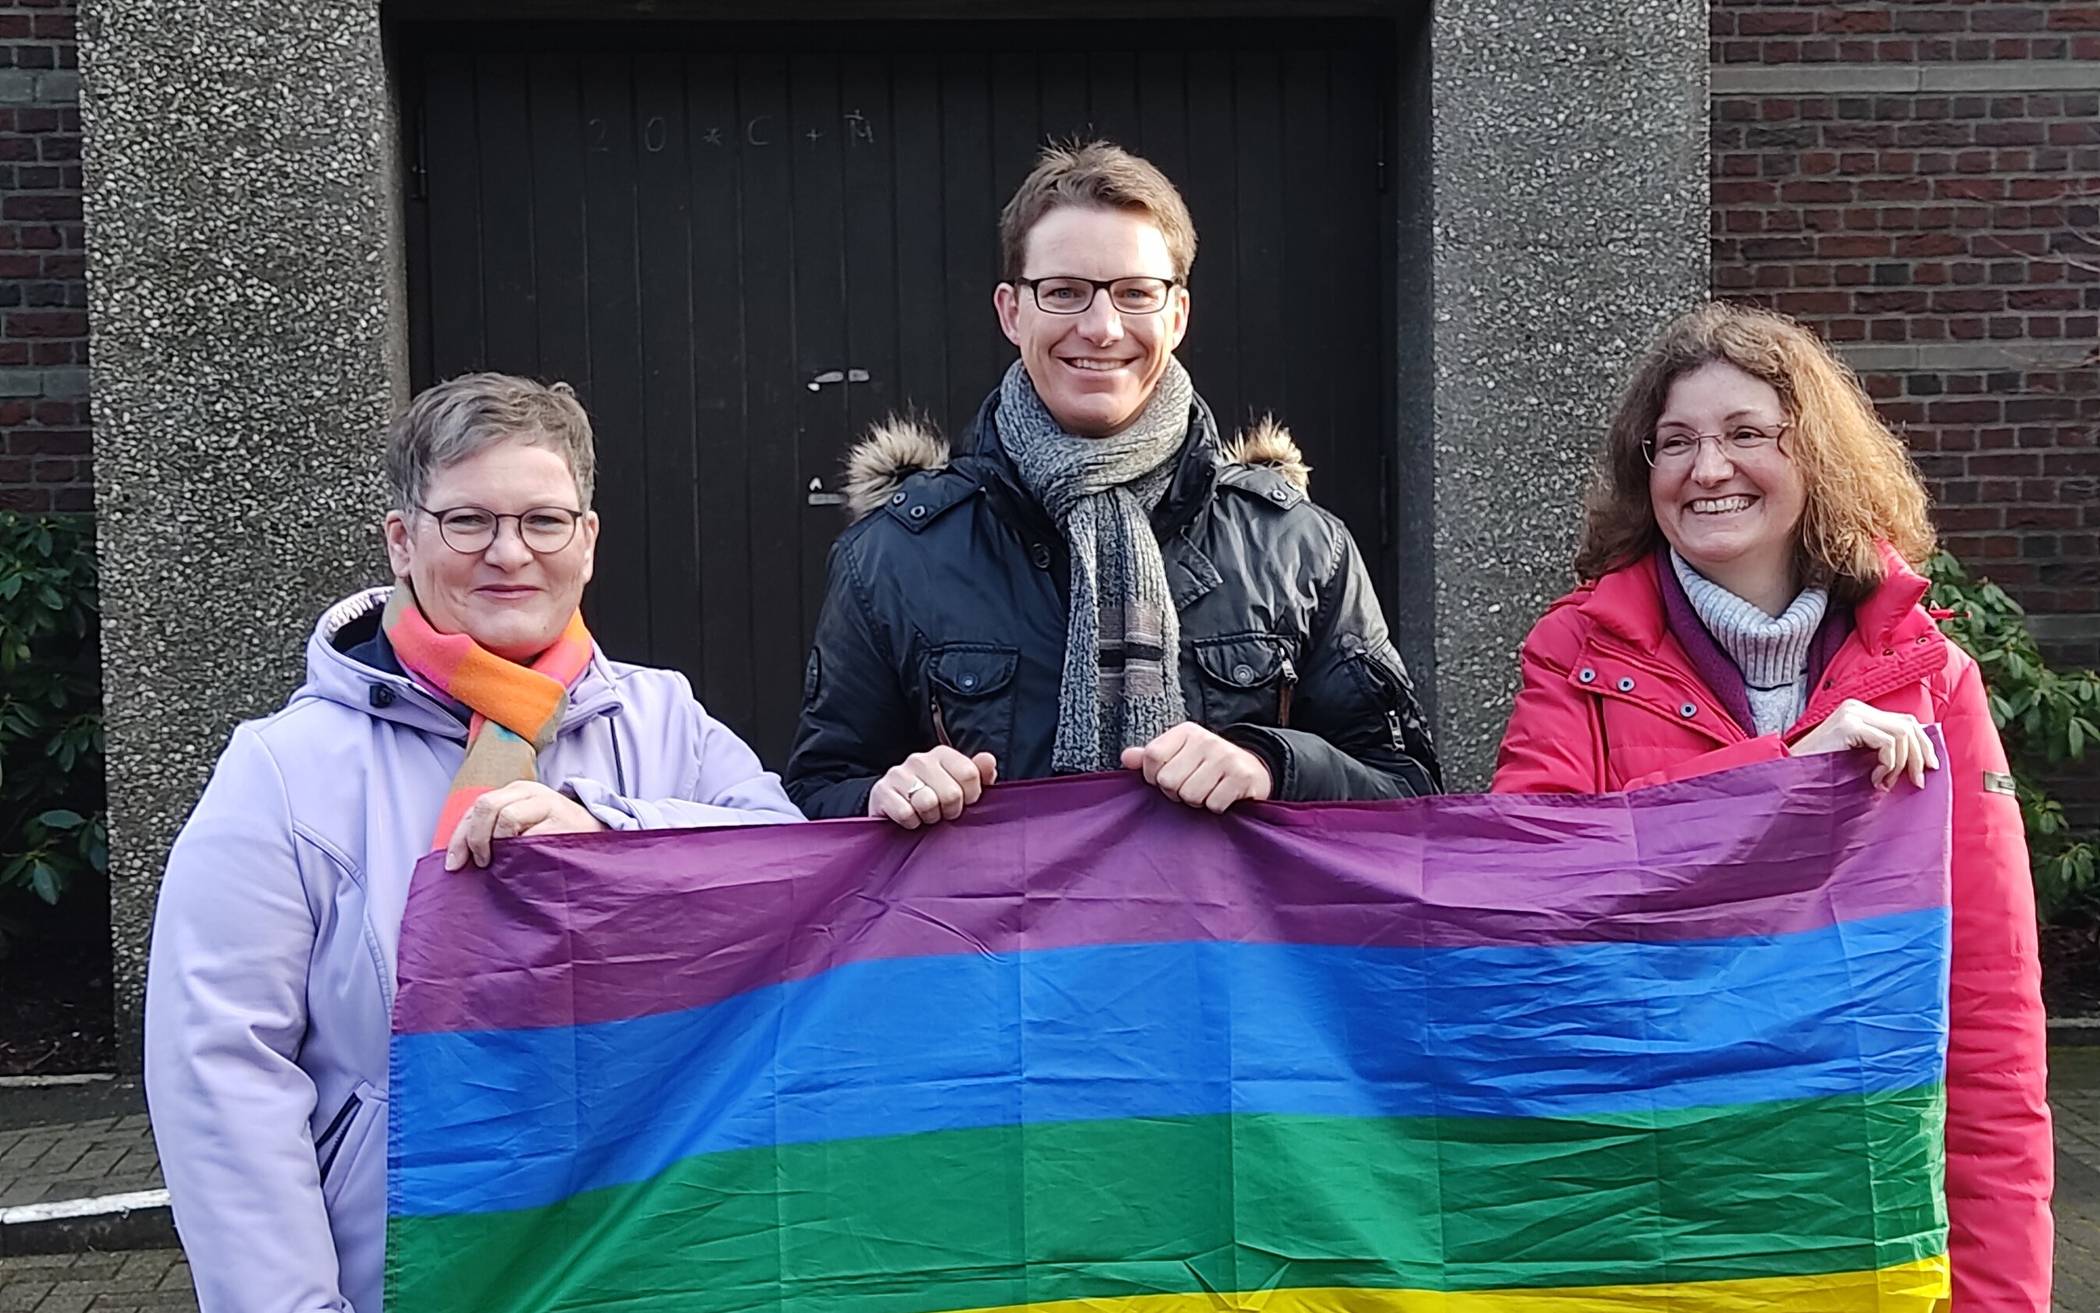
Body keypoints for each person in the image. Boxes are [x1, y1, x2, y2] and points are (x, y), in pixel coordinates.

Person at [145, 374, 803, 1312]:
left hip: (650, 1259)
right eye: (467, 522)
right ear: (402, 540)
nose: (509, 553)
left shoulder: (667, 721)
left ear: (587, 539)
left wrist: (614, 830)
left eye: (543, 520)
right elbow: (219, 1073)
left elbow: (789, 880)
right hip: (409, 1272)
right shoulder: (281, 771)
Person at [1493, 302, 2051, 1308]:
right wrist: (1784, 771)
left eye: (1748, 433)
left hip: (1855, 1221)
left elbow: (1986, 1019)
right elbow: (1532, 907)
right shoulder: (1572, 655)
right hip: (1637, 1220)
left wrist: (2001, 1294)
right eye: (1677, 442)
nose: (1709, 468)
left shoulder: (1936, 681)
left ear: (1816, 455)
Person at [786, 141, 1439, 824]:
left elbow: (1410, 795)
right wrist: (884, 795)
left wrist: (1272, 764)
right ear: (1012, 312)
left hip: (1228, 934)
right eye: (1064, 292)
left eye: (1135, 293)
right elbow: (813, 796)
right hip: (991, 932)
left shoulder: (1298, 547)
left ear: (1177, 314)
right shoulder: (893, 557)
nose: (1101, 328)